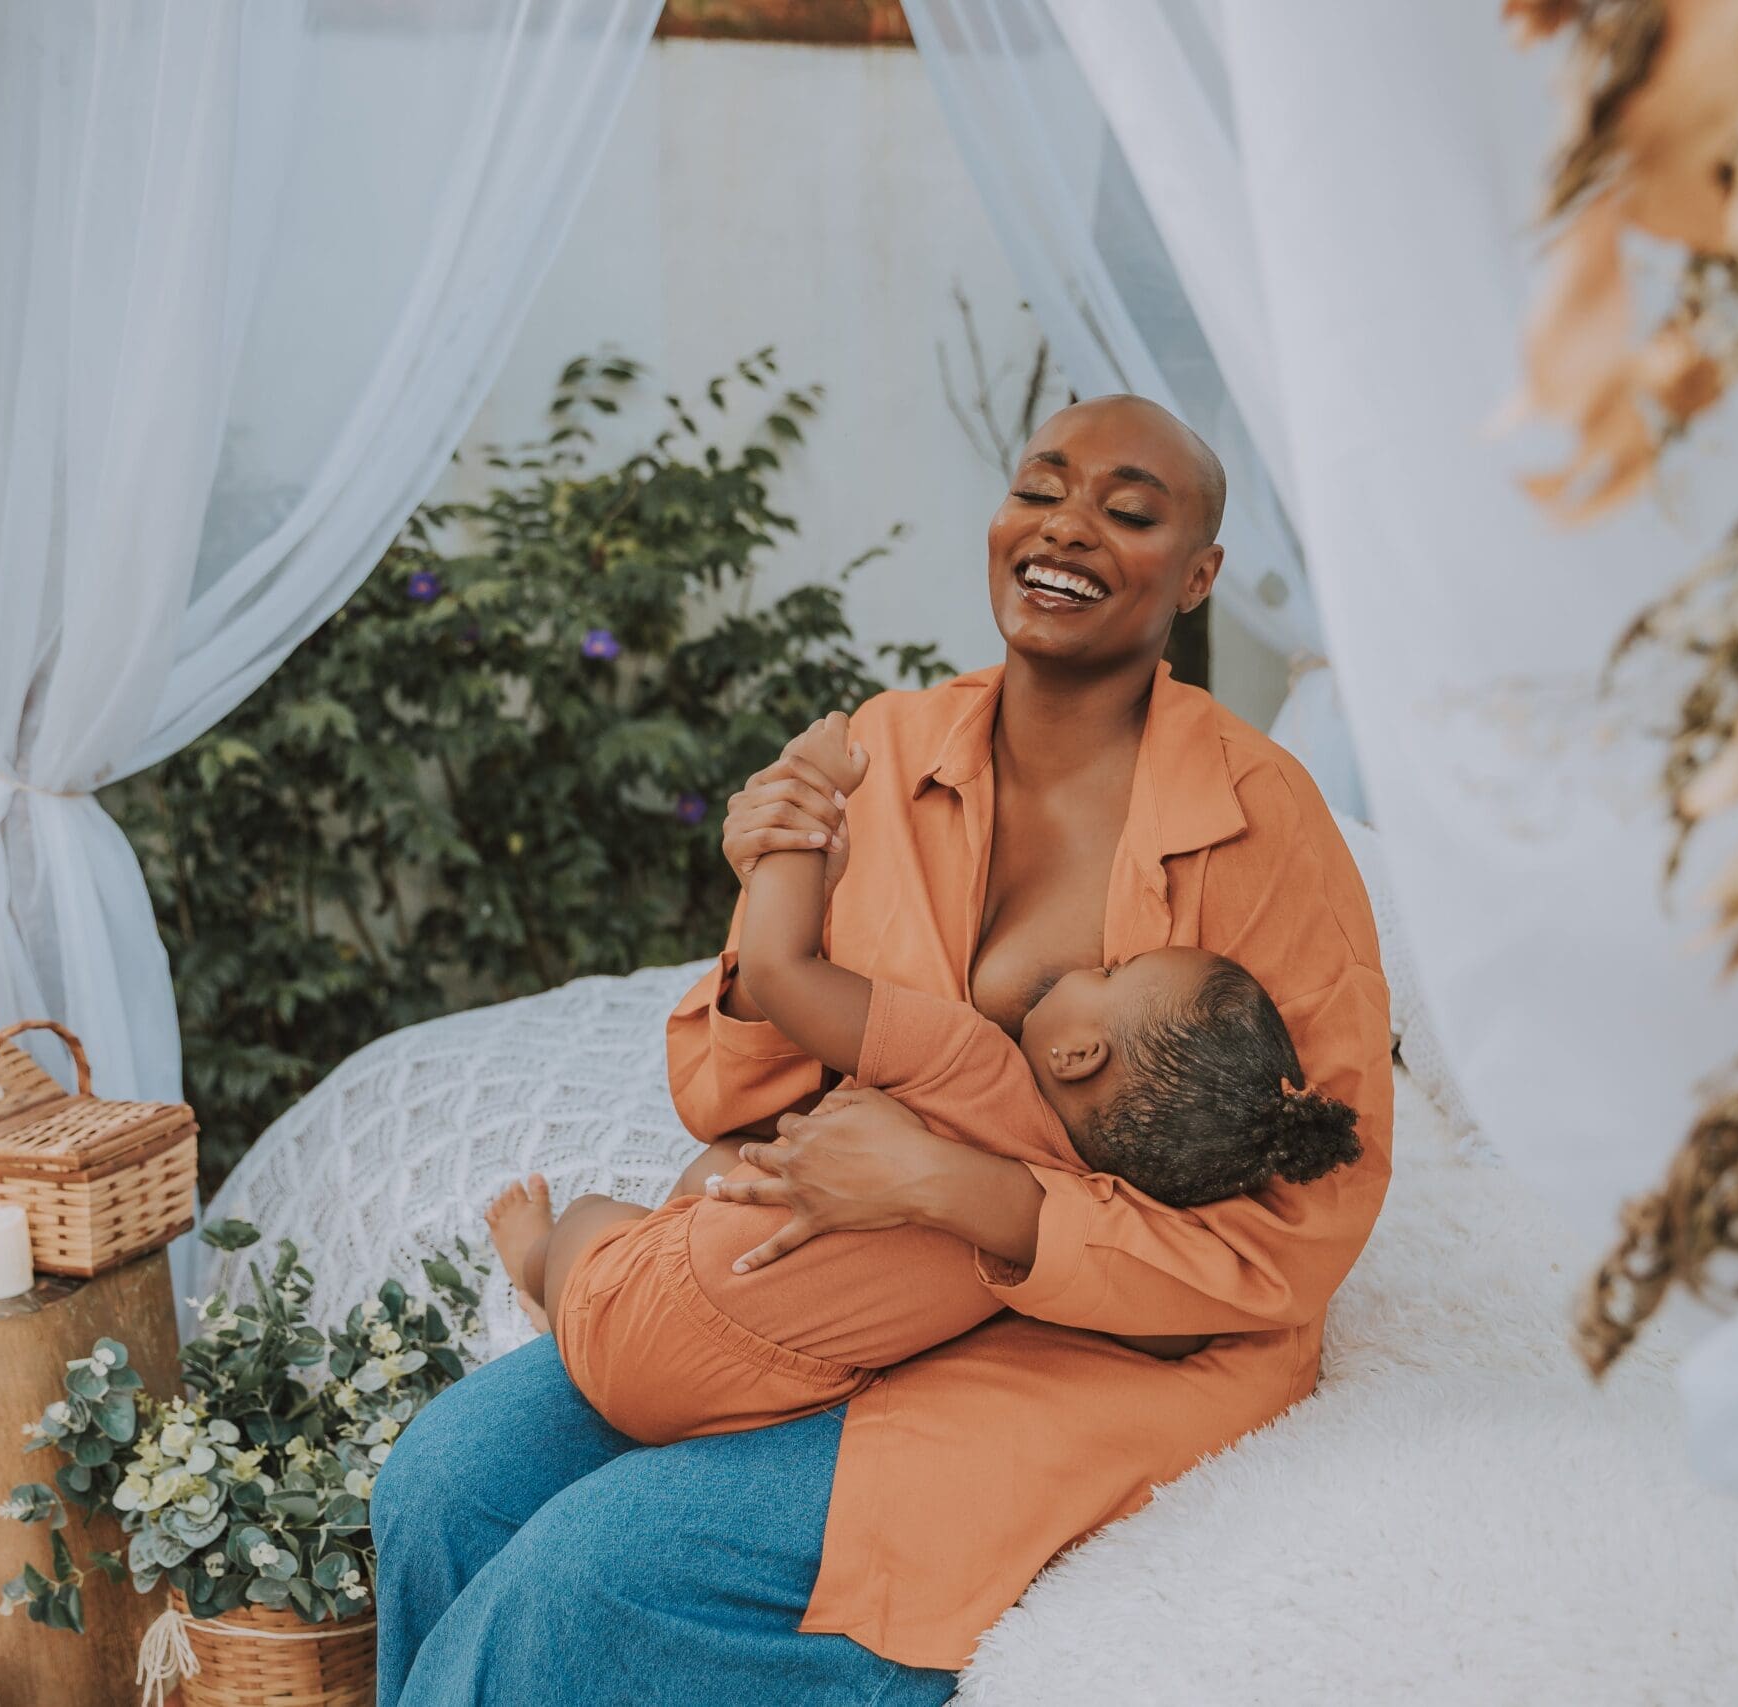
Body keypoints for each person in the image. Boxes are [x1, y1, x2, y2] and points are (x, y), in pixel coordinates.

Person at [373, 395, 1393, 1706]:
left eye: (1131, 510)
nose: (1068, 526)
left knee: (589, 1575)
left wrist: (947, 1188)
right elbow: (730, 1088)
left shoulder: (1263, 821)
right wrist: (767, 880)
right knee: (442, 1478)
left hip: (1088, 1350)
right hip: (835, 1284)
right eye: (1042, 486)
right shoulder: (885, 746)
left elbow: (1302, 1228)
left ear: (1198, 575)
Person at [482, 710, 1365, 1443]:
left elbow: (783, 971)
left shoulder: (973, 1059)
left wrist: (804, 812)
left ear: (1076, 1054)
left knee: (597, 1221)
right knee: (722, 1168)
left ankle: (537, 1262)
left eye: (1107, 974)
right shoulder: (1066, 1219)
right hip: (769, 1387)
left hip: (640, 1308)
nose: (1090, 963)